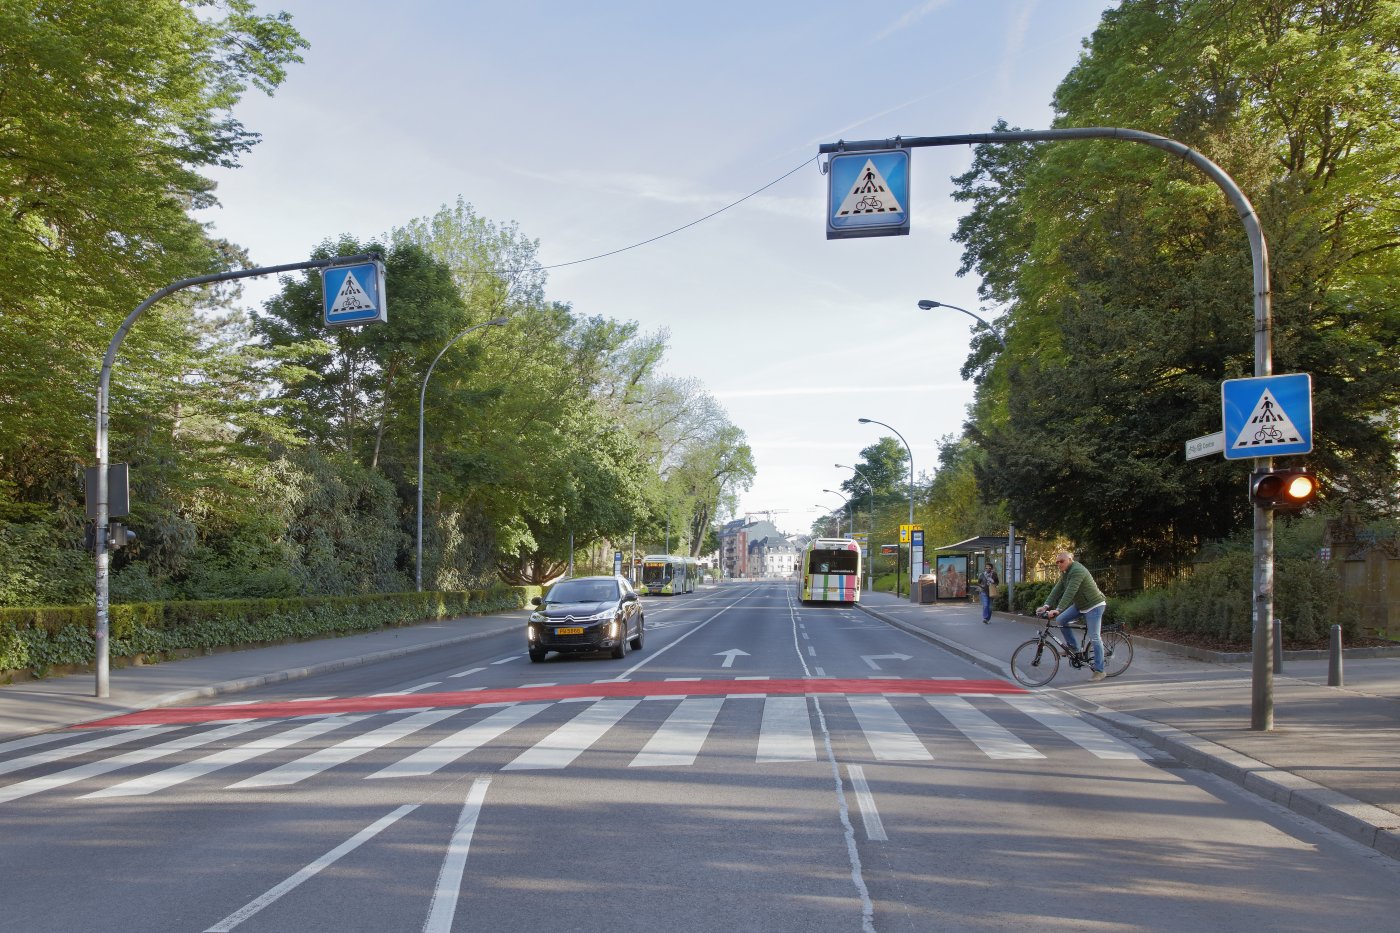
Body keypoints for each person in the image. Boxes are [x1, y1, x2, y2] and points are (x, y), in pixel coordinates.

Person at [1037, 551, 1108, 681]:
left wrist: (1058, 609)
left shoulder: (1077, 571)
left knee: (1094, 638)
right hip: (1081, 605)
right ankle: (1074, 647)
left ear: (1070, 559)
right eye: (1057, 562)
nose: (1059, 564)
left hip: (1094, 605)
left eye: (1061, 561)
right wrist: (1046, 606)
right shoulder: (1065, 572)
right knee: (1061, 619)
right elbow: (1057, 589)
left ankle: (1100, 670)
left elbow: (1070, 592)